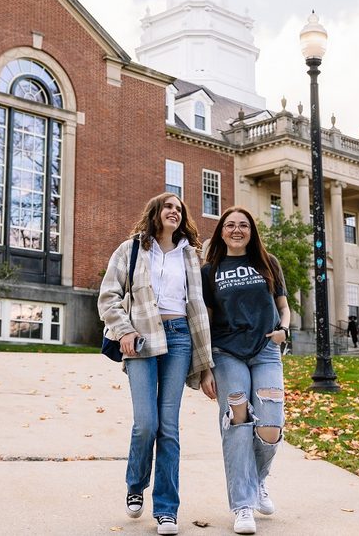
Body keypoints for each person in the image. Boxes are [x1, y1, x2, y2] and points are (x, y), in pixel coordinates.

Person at [98, 193, 214, 536]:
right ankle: (136, 484)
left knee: (169, 427)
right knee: (146, 423)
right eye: (168, 206)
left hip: (179, 337)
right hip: (141, 337)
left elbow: (198, 308)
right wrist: (123, 331)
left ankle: (166, 509)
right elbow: (108, 296)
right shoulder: (131, 249)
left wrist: (206, 363)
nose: (174, 212)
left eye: (179, 208)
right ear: (155, 212)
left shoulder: (191, 256)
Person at [199, 206, 290, 535]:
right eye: (230, 225)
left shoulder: (268, 263)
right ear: (222, 231)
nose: (237, 230)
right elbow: (206, 320)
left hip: (266, 350)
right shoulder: (209, 271)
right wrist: (205, 366)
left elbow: (283, 306)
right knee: (237, 421)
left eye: (243, 225)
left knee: (270, 425)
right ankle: (243, 506)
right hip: (227, 353)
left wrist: (284, 331)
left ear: (252, 231)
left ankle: (257, 481)